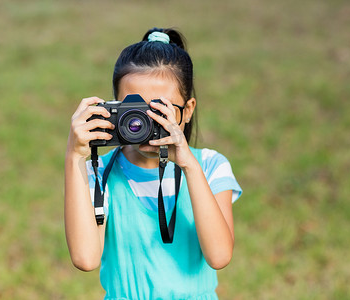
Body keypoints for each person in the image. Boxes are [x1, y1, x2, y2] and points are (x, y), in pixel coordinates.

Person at [64, 27, 242, 300]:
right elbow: (86, 259)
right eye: (135, 108)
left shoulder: (209, 166)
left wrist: (189, 166)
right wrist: (74, 156)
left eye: (159, 110)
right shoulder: (100, 174)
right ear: (115, 108)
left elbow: (219, 256)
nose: (144, 122)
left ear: (188, 109)